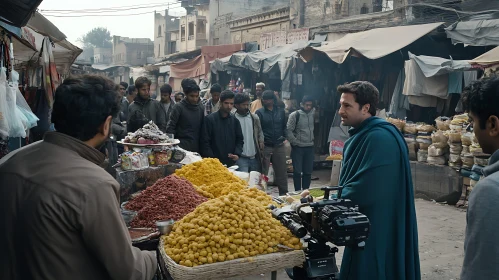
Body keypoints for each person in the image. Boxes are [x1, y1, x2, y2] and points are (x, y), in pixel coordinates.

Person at [0, 75, 157, 280]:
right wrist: (161, 256)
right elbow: (128, 271)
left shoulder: (8, 163)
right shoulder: (95, 184)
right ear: (106, 124)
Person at [336, 81, 420, 280]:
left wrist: (327, 199)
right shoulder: (367, 133)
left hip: (376, 222)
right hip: (367, 221)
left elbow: (367, 189)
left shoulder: (380, 137)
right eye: (340, 104)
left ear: (366, 108)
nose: (340, 111)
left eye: (347, 106)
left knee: (372, 267)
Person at [460, 77, 499, 280]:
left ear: (492, 124)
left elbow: (482, 271)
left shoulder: (490, 191)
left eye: (472, 122)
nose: (472, 131)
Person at [256, 90, 288, 195]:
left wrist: (285, 137)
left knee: (281, 172)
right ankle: (261, 195)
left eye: (268, 99)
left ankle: (284, 195)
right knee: (263, 173)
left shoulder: (281, 112)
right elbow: (258, 130)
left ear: (273, 100)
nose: (266, 101)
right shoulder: (259, 113)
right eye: (264, 99)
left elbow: (284, 127)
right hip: (266, 146)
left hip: (279, 145)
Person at [201, 90, 244, 166]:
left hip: (231, 163)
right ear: (220, 103)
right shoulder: (210, 119)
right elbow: (205, 142)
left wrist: (237, 154)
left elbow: (240, 140)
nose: (229, 106)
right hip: (213, 164)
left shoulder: (235, 121)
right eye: (226, 103)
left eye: (231, 104)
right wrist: (212, 159)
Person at [166, 78, 204, 153]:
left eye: (196, 96)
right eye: (192, 96)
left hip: (197, 148)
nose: (195, 99)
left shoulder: (200, 107)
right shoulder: (178, 107)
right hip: (181, 148)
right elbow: (170, 128)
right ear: (186, 94)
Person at [287, 95, 315, 191]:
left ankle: (306, 191)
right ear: (301, 104)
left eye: (310, 105)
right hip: (298, 147)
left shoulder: (313, 113)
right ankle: (297, 192)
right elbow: (288, 130)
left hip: (310, 146)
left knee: (308, 172)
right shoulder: (295, 115)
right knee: (297, 172)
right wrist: (294, 142)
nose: (309, 107)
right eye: (307, 105)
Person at [233, 93, 264, 172]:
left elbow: (260, 132)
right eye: (244, 105)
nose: (246, 107)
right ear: (236, 105)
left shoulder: (254, 118)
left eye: (248, 105)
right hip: (240, 158)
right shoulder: (232, 119)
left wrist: (261, 141)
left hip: (254, 157)